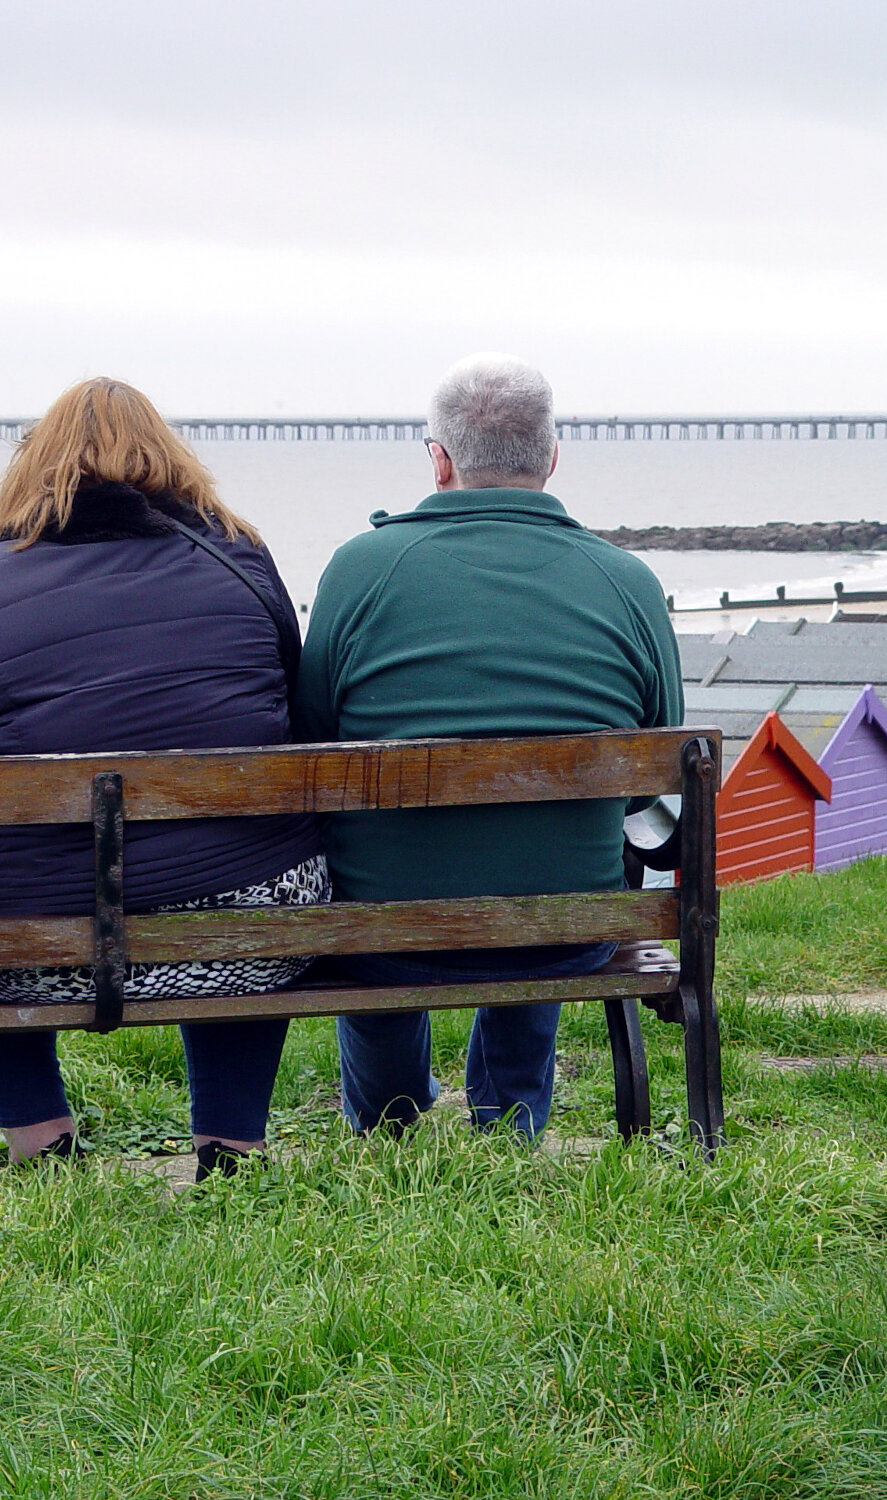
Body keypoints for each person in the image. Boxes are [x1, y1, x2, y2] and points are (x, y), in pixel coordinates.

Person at [0, 377, 326, 1180]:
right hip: (252, 935)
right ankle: (232, 1147)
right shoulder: (242, 560)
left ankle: (42, 1140)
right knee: (241, 863)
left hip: (37, 945)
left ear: (34, 468)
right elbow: (296, 704)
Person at [294, 354, 682, 1140]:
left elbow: (312, 746)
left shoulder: (360, 568)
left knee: (381, 880)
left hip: (383, 931)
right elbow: (653, 772)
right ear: (552, 456)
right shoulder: (627, 581)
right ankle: (508, 1121)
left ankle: (389, 1118)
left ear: (439, 459)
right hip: (565, 929)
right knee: (549, 863)